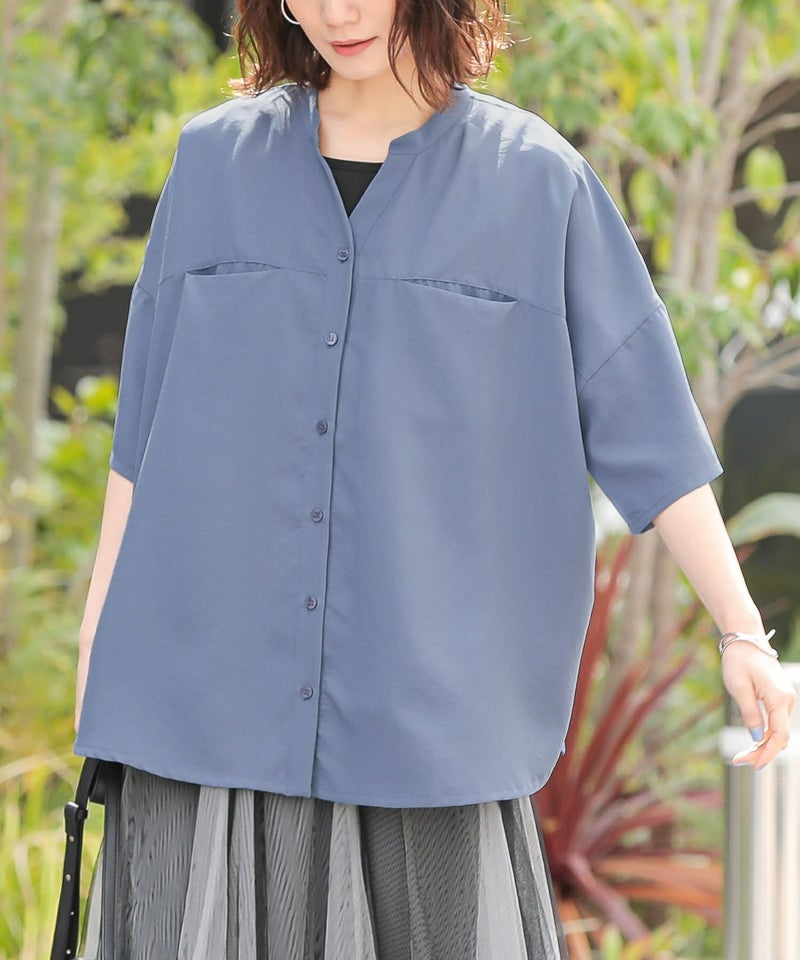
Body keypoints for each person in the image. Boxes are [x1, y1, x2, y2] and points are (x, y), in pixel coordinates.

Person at [72, 0, 796, 957]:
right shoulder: (212, 165)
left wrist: (741, 630)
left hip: (426, 723)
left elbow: (645, 422)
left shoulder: (537, 183)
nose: (336, 13)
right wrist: (98, 648)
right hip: (207, 711)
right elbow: (142, 435)